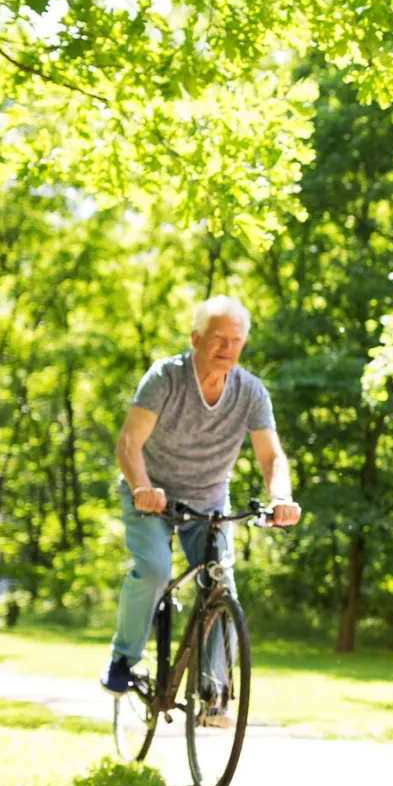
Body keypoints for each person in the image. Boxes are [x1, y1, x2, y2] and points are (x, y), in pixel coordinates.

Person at [99, 297, 301, 724]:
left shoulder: (249, 391)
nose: (227, 348)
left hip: (207, 501)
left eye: (236, 340)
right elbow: (128, 443)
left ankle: (214, 691)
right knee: (154, 569)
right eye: (217, 338)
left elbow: (271, 457)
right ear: (195, 339)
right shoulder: (165, 378)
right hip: (150, 496)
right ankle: (123, 658)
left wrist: (280, 498)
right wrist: (141, 487)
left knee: (220, 581)